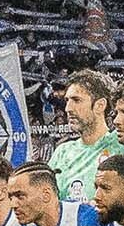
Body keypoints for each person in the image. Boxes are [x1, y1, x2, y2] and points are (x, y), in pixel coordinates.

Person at [44, 71, 118, 205]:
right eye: (67, 101)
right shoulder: (62, 152)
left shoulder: (121, 145)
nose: (68, 108)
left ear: (100, 105)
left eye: (76, 100)